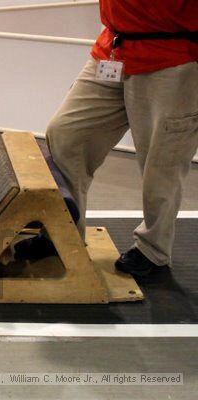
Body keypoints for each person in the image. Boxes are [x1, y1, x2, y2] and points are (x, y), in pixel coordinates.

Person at [45, 0, 198, 277]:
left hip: (174, 56)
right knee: (67, 134)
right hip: (114, 47)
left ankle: (154, 251)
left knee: (162, 163)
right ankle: (62, 231)